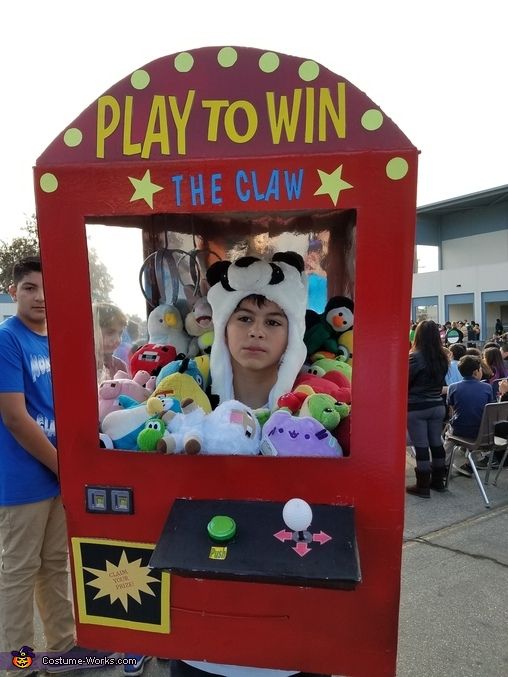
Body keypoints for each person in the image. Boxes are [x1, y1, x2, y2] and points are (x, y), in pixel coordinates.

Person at [170, 251, 311, 677]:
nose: (256, 332)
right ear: (223, 324)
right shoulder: (182, 398)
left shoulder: (319, 409)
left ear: (293, 333)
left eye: (273, 321)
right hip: (198, 640)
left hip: (297, 643)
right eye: (244, 317)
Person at [0, 257, 114, 673]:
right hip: (24, 478)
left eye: (47, 289)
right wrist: (64, 467)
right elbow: (15, 416)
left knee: (55, 566)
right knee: (19, 571)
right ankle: (19, 663)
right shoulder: (7, 340)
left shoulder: (52, 339)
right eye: (30, 287)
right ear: (15, 292)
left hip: (55, 473)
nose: (41, 297)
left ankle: (63, 650)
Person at [406, 320, 449, 498]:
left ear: (419, 336)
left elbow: (406, 382)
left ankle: (422, 486)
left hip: (417, 407)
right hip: (437, 405)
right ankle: (438, 482)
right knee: (436, 442)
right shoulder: (442, 357)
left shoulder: (414, 357)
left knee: (421, 446)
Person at [443, 355, 495, 476]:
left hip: (459, 430)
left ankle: (444, 465)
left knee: (448, 438)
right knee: (476, 424)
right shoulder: (487, 388)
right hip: (482, 433)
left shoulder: (453, 387)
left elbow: (451, 411)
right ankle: (472, 463)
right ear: (476, 372)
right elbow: (489, 408)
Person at [93, 302, 128, 380]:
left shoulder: (120, 366)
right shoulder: (80, 365)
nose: (117, 340)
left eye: (120, 333)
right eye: (110, 332)